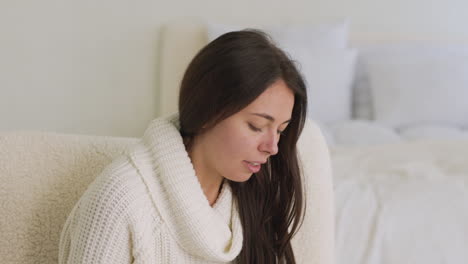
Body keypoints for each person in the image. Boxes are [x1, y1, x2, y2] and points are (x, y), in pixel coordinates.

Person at [58, 29, 334, 264]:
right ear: (209, 112)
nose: (272, 147)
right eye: (256, 126)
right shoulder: (120, 200)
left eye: (281, 131)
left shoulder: (251, 195)